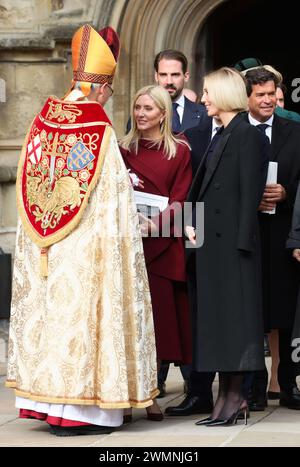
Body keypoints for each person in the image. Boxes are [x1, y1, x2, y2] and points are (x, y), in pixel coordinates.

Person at [5, 24, 158, 436]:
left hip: (46, 249)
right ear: (101, 88)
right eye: (108, 91)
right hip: (88, 249)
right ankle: (82, 412)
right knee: (86, 324)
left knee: (53, 322)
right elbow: (113, 200)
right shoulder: (98, 129)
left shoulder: (42, 120)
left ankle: (45, 404)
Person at [186, 67, 267, 426]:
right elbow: (201, 190)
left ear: (222, 94)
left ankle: (235, 400)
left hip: (234, 251)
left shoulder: (248, 136)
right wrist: (193, 229)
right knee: (219, 327)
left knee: (235, 325)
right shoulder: (222, 134)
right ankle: (223, 399)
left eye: (207, 92)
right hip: (211, 249)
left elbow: (250, 195)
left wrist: (241, 248)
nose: (202, 99)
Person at [119, 84, 193, 420]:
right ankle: (132, 394)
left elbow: (182, 198)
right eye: (137, 107)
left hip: (162, 245)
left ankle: (154, 393)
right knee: (132, 323)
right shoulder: (122, 149)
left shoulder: (179, 151)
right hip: (130, 244)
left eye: (148, 108)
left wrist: (156, 224)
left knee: (161, 323)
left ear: (163, 113)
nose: (141, 114)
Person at [244, 67, 300, 411]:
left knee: (287, 311)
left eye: (271, 94)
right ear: (247, 97)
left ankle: (289, 382)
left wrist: (287, 193)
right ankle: (254, 387)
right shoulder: (235, 133)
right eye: (260, 95)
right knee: (251, 312)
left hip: (283, 237)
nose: (267, 101)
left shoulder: (295, 132)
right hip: (247, 236)